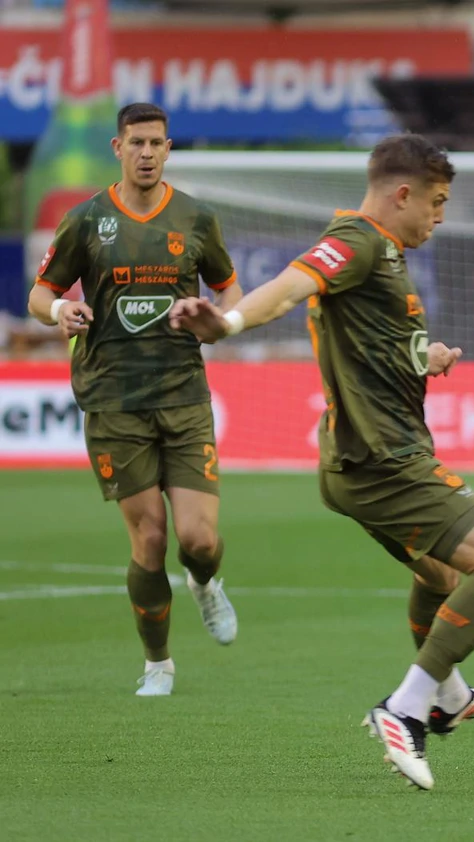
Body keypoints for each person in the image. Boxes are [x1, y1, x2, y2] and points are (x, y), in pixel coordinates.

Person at [169, 135, 474, 791]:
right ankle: (406, 707)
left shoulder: (384, 254)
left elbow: (372, 344)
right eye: (437, 201)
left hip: (353, 458)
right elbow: (287, 287)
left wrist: (427, 357)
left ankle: (447, 694)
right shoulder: (359, 241)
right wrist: (225, 325)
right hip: (384, 461)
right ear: (403, 193)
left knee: (438, 574)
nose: (441, 216)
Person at [26, 102, 242, 697]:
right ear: (117, 149)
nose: (147, 153)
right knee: (149, 538)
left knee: (198, 540)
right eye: (136, 143)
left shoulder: (197, 219)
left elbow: (229, 290)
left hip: (183, 395)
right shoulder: (87, 220)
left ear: (169, 150)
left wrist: (217, 321)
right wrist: (61, 310)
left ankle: (205, 583)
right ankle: (158, 664)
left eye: (157, 143)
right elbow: (39, 294)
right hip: (113, 399)